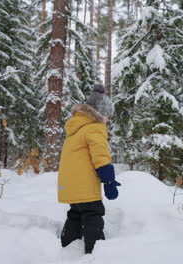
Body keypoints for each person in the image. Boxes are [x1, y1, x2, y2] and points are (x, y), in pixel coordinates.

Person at [58, 83, 121, 254]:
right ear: (100, 113)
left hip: (70, 185)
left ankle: (67, 246)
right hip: (85, 186)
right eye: (108, 115)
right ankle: (95, 252)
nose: (108, 119)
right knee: (93, 214)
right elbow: (100, 157)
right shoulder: (95, 127)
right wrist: (108, 180)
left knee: (76, 214)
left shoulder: (76, 128)